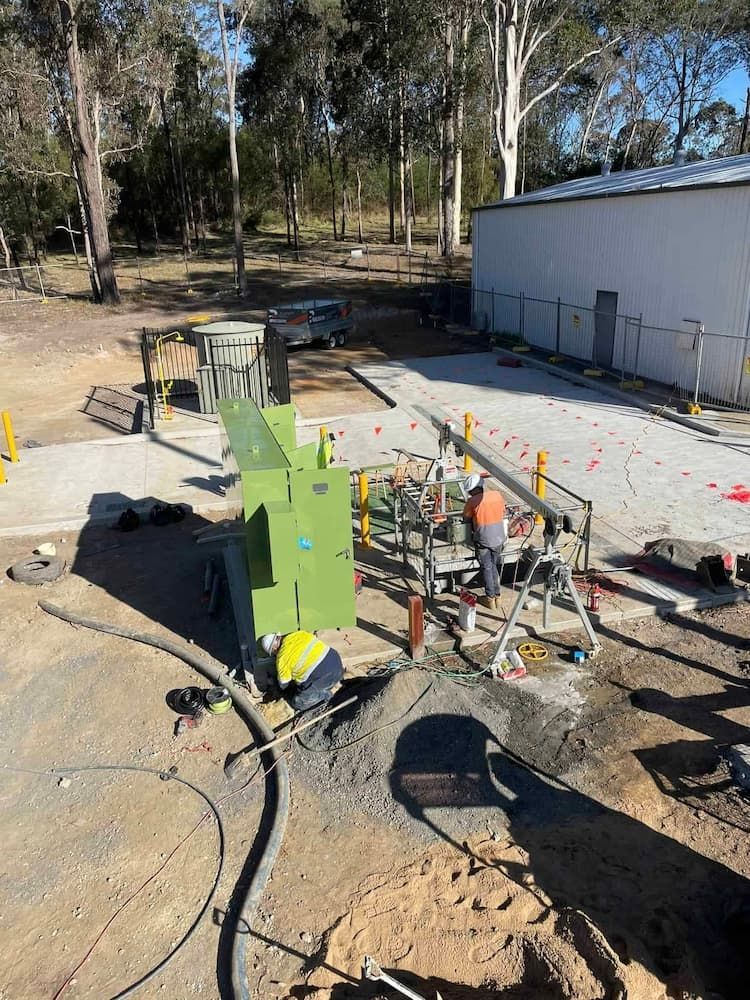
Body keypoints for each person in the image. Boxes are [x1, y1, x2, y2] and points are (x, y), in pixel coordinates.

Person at [260, 630, 343, 710]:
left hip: (323, 677)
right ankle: (336, 682)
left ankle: (326, 695)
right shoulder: (298, 634)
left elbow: (284, 685)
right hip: (336, 662)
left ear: (274, 649)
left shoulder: (282, 660)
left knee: (297, 702)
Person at [462, 472, 507, 609]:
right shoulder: (497, 495)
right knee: (494, 566)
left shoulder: (472, 502)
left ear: (471, 490)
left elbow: (466, 519)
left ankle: (490, 598)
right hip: (499, 538)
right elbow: (502, 511)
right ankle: (497, 596)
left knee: (487, 567)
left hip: (483, 540)